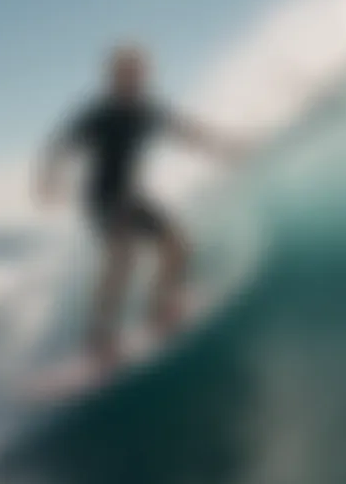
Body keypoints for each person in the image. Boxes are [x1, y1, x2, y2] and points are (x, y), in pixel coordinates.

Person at [37, 44, 244, 372]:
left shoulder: (147, 110)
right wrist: (48, 179)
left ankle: (160, 306)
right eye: (125, 73)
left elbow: (186, 132)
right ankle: (100, 337)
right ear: (113, 77)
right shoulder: (98, 114)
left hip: (132, 197)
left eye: (137, 73)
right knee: (123, 260)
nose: (133, 79)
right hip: (103, 198)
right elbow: (61, 145)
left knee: (178, 246)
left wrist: (226, 147)